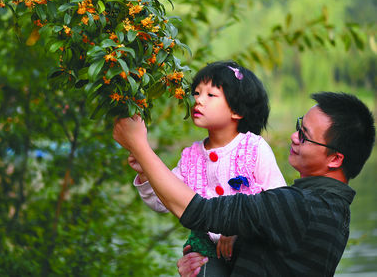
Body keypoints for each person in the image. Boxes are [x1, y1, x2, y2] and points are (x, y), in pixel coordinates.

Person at [113, 92, 375, 276]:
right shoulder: (329, 209)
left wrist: (140, 147)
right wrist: (210, 261)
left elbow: (199, 212)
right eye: (299, 126)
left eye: (305, 136)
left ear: (335, 158)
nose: (294, 137)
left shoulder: (300, 206)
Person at [128, 61, 286, 275]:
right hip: (207, 253)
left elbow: (277, 205)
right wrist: (145, 172)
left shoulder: (254, 148)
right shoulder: (191, 157)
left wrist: (239, 231)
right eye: (196, 93)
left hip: (252, 248)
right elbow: (162, 200)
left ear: (237, 111)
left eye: (210, 95)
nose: (198, 100)